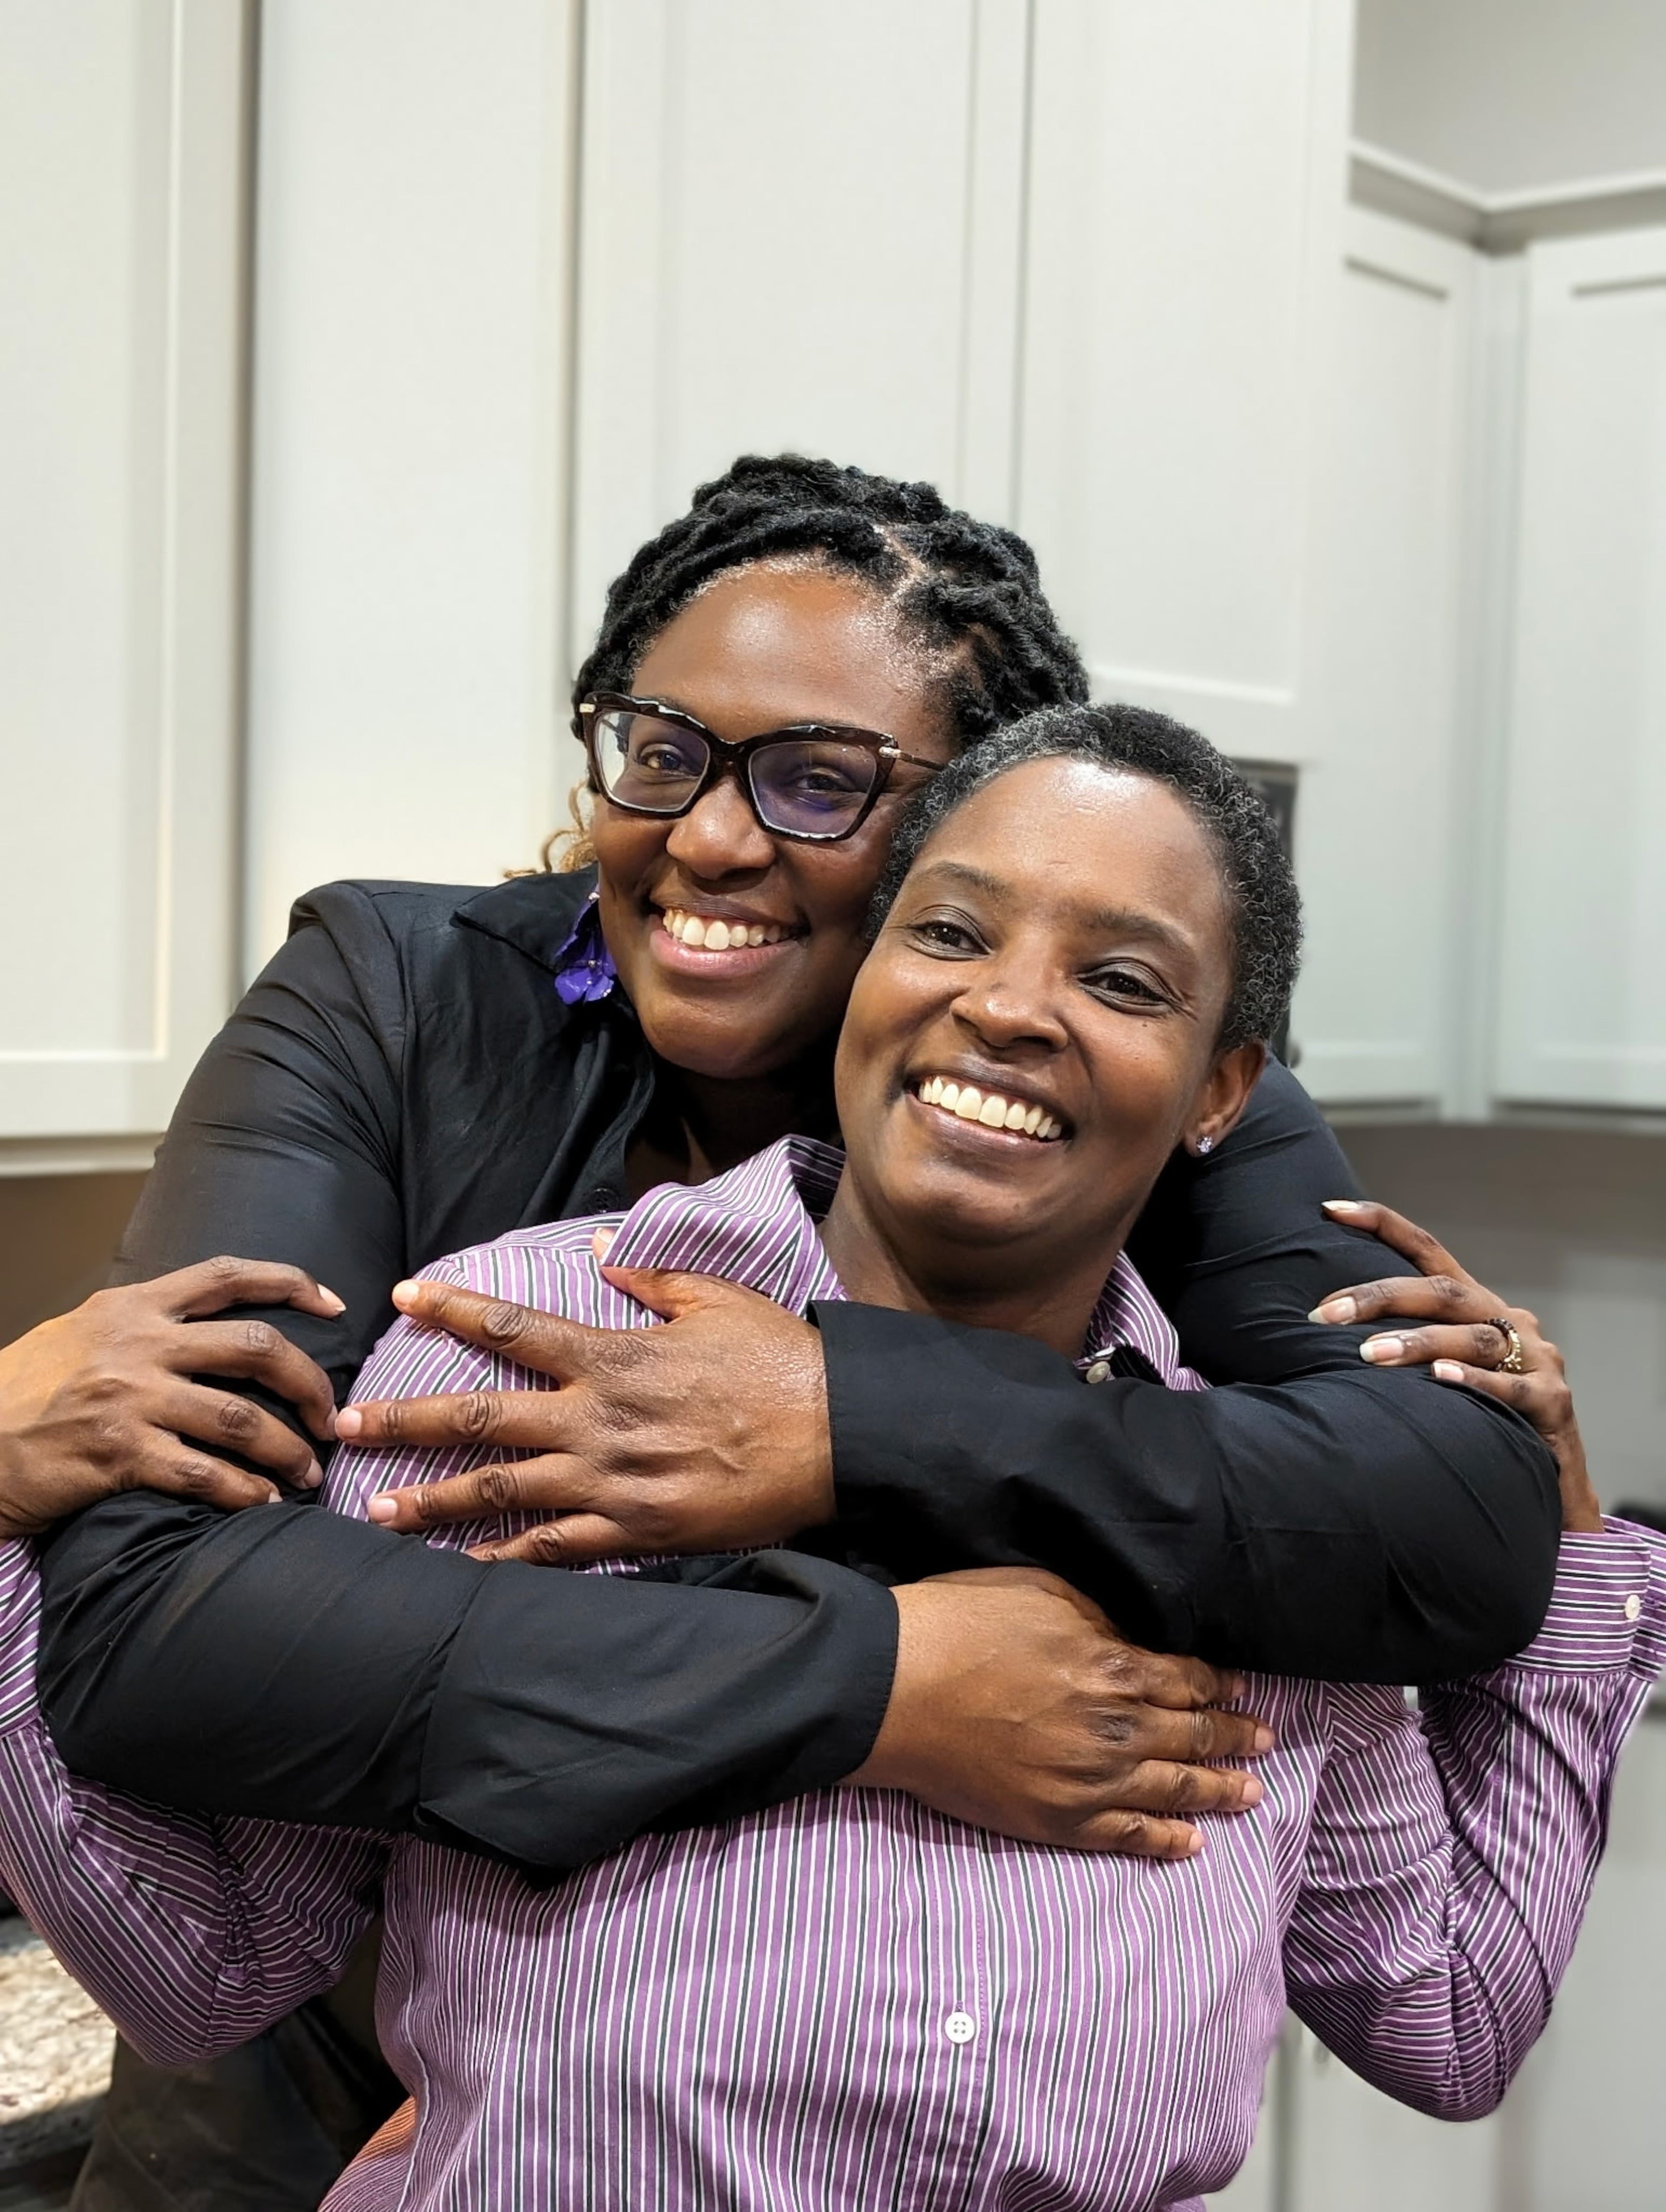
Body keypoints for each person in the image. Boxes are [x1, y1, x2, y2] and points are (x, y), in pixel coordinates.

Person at [1, 458, 1558, 2204]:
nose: (716, 838)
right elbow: (173, 1631)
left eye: (821, 780)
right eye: (665, 751)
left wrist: (832, 1412)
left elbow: (1448, 1520)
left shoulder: (1129, 1095)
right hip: (316, 2074)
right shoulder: (425, 1081)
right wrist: (889, 1682)